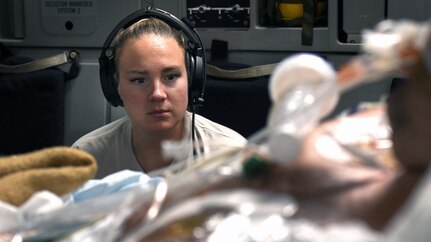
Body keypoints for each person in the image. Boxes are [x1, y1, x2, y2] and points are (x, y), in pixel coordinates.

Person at [72, 9, 247, 179]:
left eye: (171, 77)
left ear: (191, 79)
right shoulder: (86, 160)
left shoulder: (232, 156)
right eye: (139, 80)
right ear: (115, 86)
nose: (157, 94)